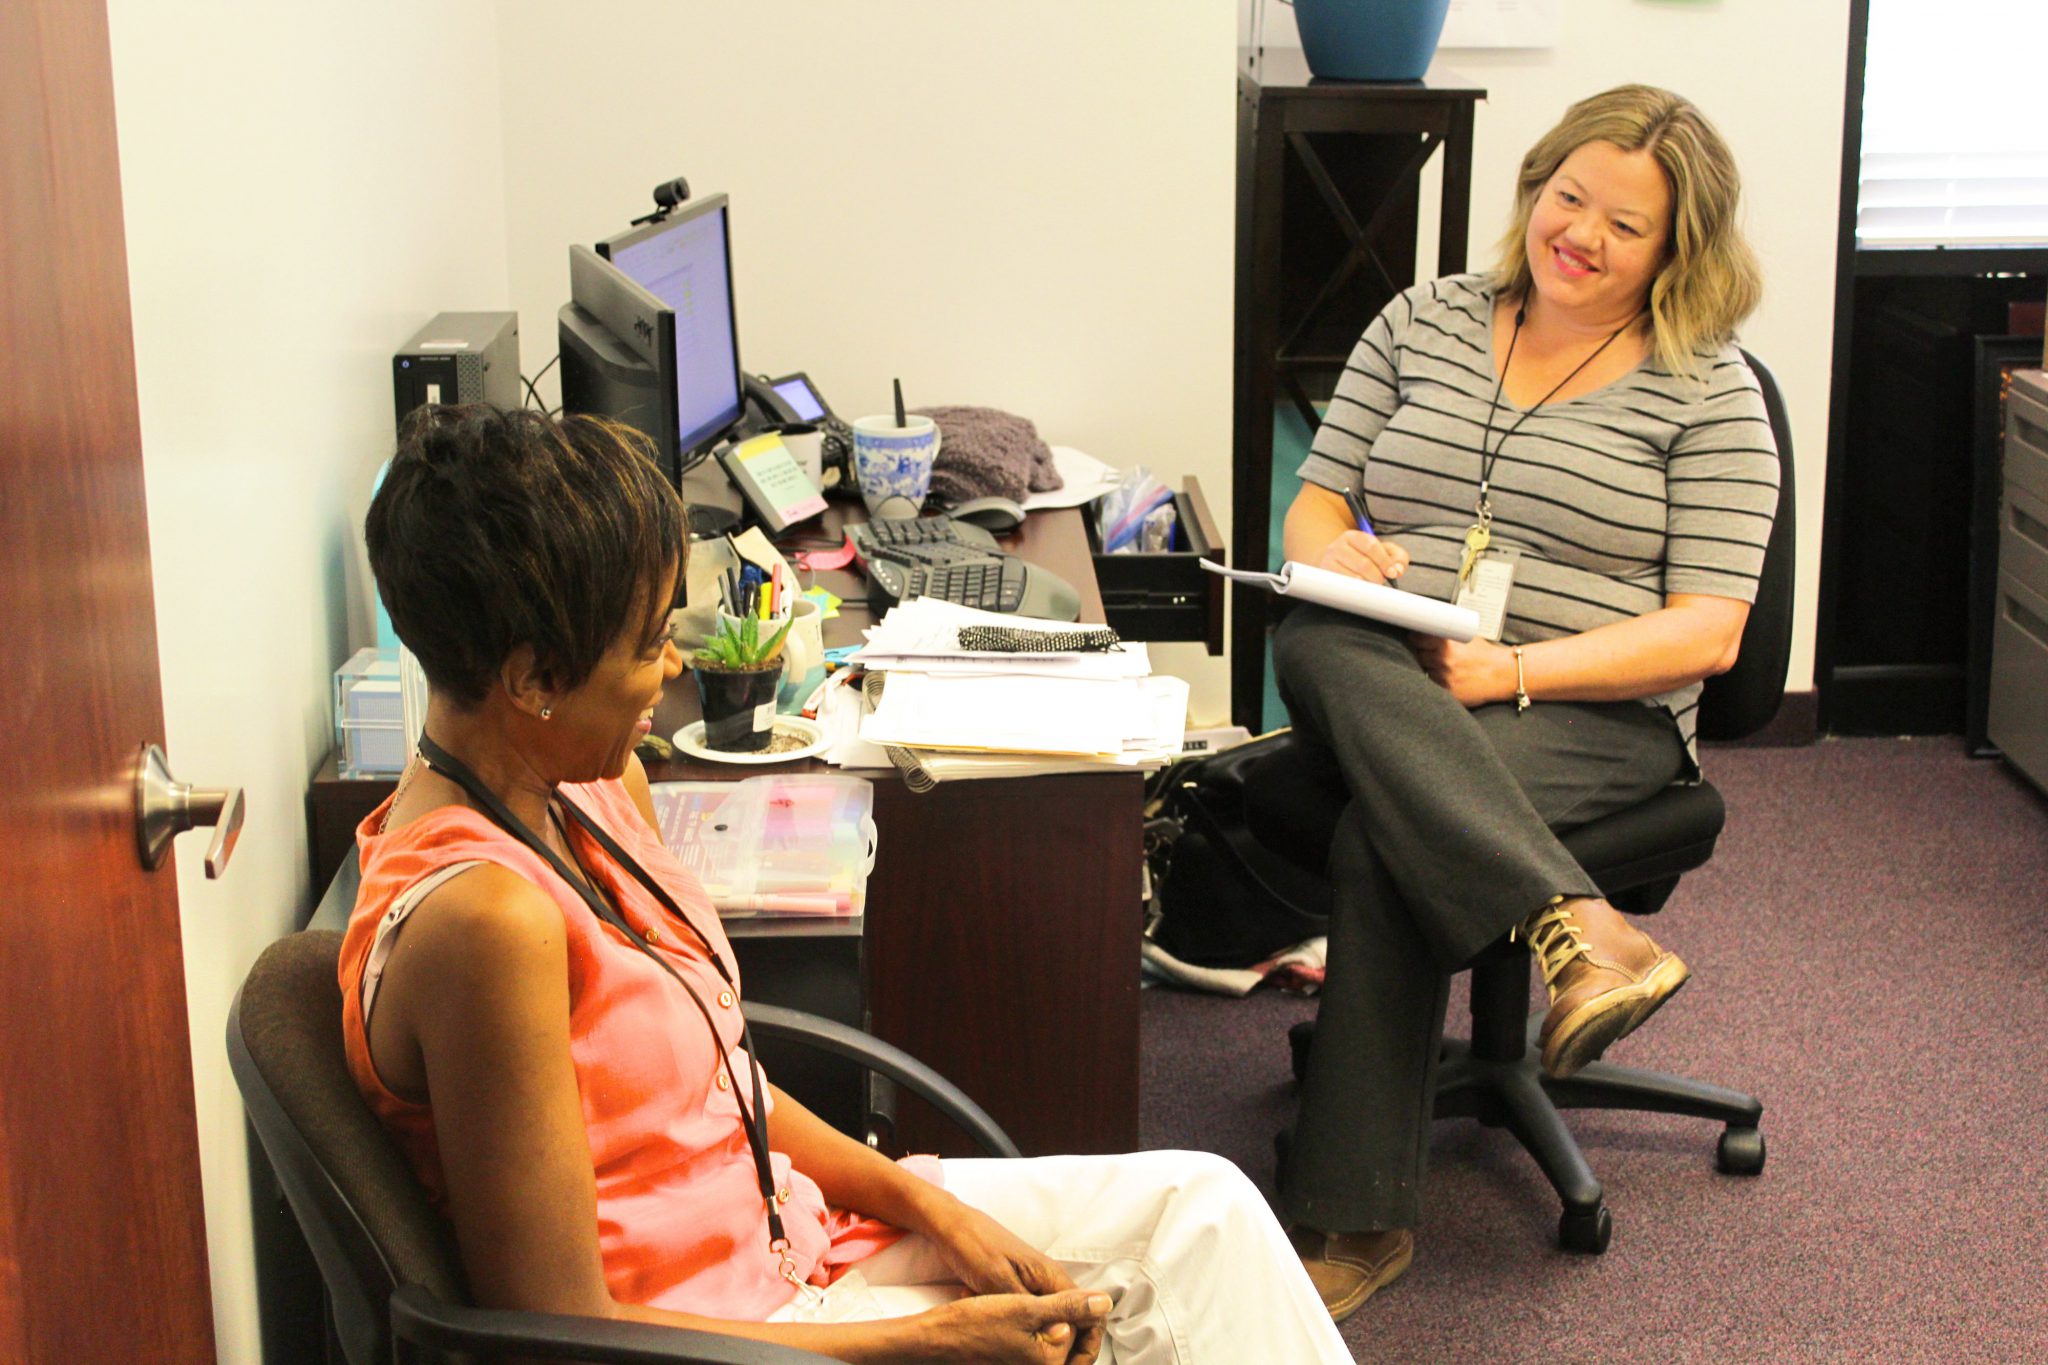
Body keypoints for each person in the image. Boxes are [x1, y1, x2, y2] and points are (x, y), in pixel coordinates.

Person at [343, 403, 1350, 1364]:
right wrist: (929, 1346)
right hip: (729, 1338)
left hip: (792, 1242)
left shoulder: (590, 789)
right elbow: (563, 1333)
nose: (670, 673)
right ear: (529, 679)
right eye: (649, 643)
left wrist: (932, 1208)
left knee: (1202, 1211)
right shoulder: (484, 922)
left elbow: (717, 1087)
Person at [1270, 84, 1779, 1319]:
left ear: (1675, 250)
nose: (1582, 237)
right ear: (1532, 189)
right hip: (1403, 662)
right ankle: (1575, 923)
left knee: (1376, 841)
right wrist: (1339, 550)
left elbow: (1708, 632)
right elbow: (1317, 501)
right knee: (1314, 622)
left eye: (1626, 225)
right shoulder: (1423, 317)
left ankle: (1355, 1221)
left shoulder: (1706, 391)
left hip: (1597, 715)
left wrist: (1517, 670)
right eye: (1567, 199)